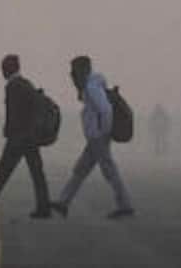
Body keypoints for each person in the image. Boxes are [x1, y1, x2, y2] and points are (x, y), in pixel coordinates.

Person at [0, 54, 52, 219]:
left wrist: (8, 132)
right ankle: (44, 207)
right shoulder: (26, 84)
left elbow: (13, 114)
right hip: (30, 136)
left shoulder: (13, 86)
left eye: (4, 68)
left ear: (9, 68)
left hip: (18, 138)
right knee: (37, 173)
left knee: (2, 172)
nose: (2, 71)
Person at [50, 55, 134, 220]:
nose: (72, 75)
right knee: (80, 170)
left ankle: (125, 205)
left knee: (109, 171)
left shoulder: (91, 87)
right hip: (95, 137)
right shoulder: (91, 85)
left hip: (97, 137)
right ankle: (63, 203)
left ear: (82, 70)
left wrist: (102, 131)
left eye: (74, 71)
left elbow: (105, 109)